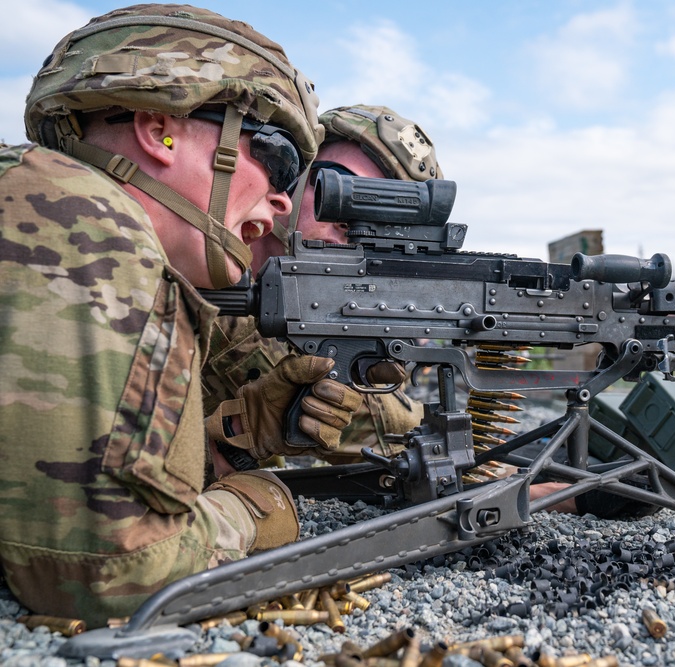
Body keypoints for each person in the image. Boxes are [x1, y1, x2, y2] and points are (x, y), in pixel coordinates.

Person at [0, 4, 358, 626]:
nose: (281, 198)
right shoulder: (77, 216)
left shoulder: (44, 199)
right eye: (275, 159)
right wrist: (251, 508)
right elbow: (106, 571)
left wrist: (241, 433)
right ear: (158, 128)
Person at [202, 105, 438, 466]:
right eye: (341, 185)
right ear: (292, 177)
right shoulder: (193, 264)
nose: (354, 221)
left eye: (386, 211)